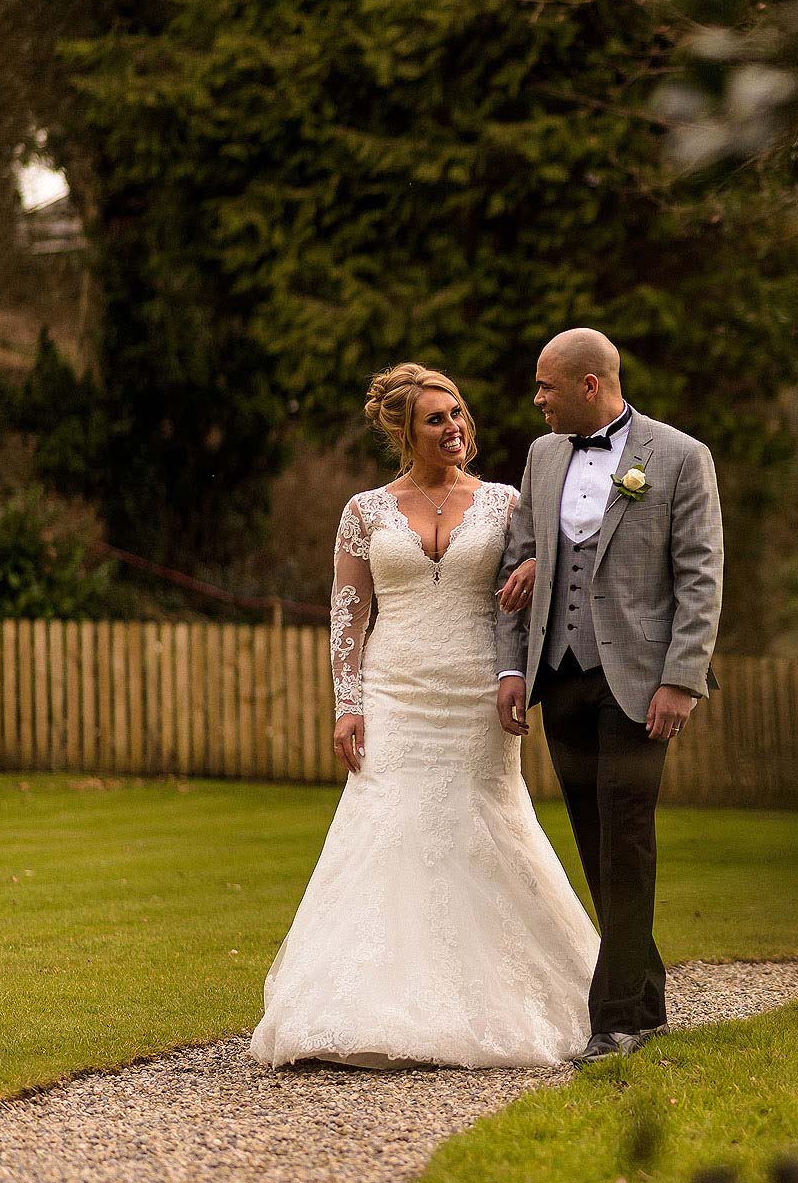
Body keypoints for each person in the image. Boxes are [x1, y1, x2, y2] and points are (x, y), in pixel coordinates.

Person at [249, 363, 599, 1069]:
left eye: (458, 413)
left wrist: (533, 589)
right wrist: (348, 704)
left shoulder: (505, 503)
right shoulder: (364, 511)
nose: (454, 427)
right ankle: (363, 1008)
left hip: (476, 690)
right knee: (386, 827)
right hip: (395, 691)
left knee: (485, 826)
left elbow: (549, 581)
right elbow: (348, 614)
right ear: (406, 432)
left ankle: (514, 999)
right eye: (436, 419)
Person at [494, 328, 724, 1064]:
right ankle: (646, 1000)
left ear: (588, 385)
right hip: (560, 673)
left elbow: (700, 578)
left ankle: (616, 1018)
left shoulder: (680, 456)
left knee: (627, 835)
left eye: (545, 386)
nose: (537, 399)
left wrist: (681, 679)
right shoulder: (542, 455)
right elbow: (519, 556)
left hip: (640, 682)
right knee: (596, 842)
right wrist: (511, 668)